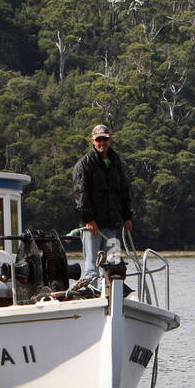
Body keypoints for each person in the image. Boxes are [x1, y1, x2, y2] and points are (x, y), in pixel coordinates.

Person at [72, 124, 133, 291]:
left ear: (109, 139)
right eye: (98, 139)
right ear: (92, 140)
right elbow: (80, 193)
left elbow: (123, 191)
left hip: (112, 225)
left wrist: (127, 216)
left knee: (113, 264)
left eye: (105, 139)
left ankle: (111, 297)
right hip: (92, 227)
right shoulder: (84, 164)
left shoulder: (116, 162)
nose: (102, 142)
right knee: (92, 267)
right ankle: (91, 296)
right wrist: (88, 219)